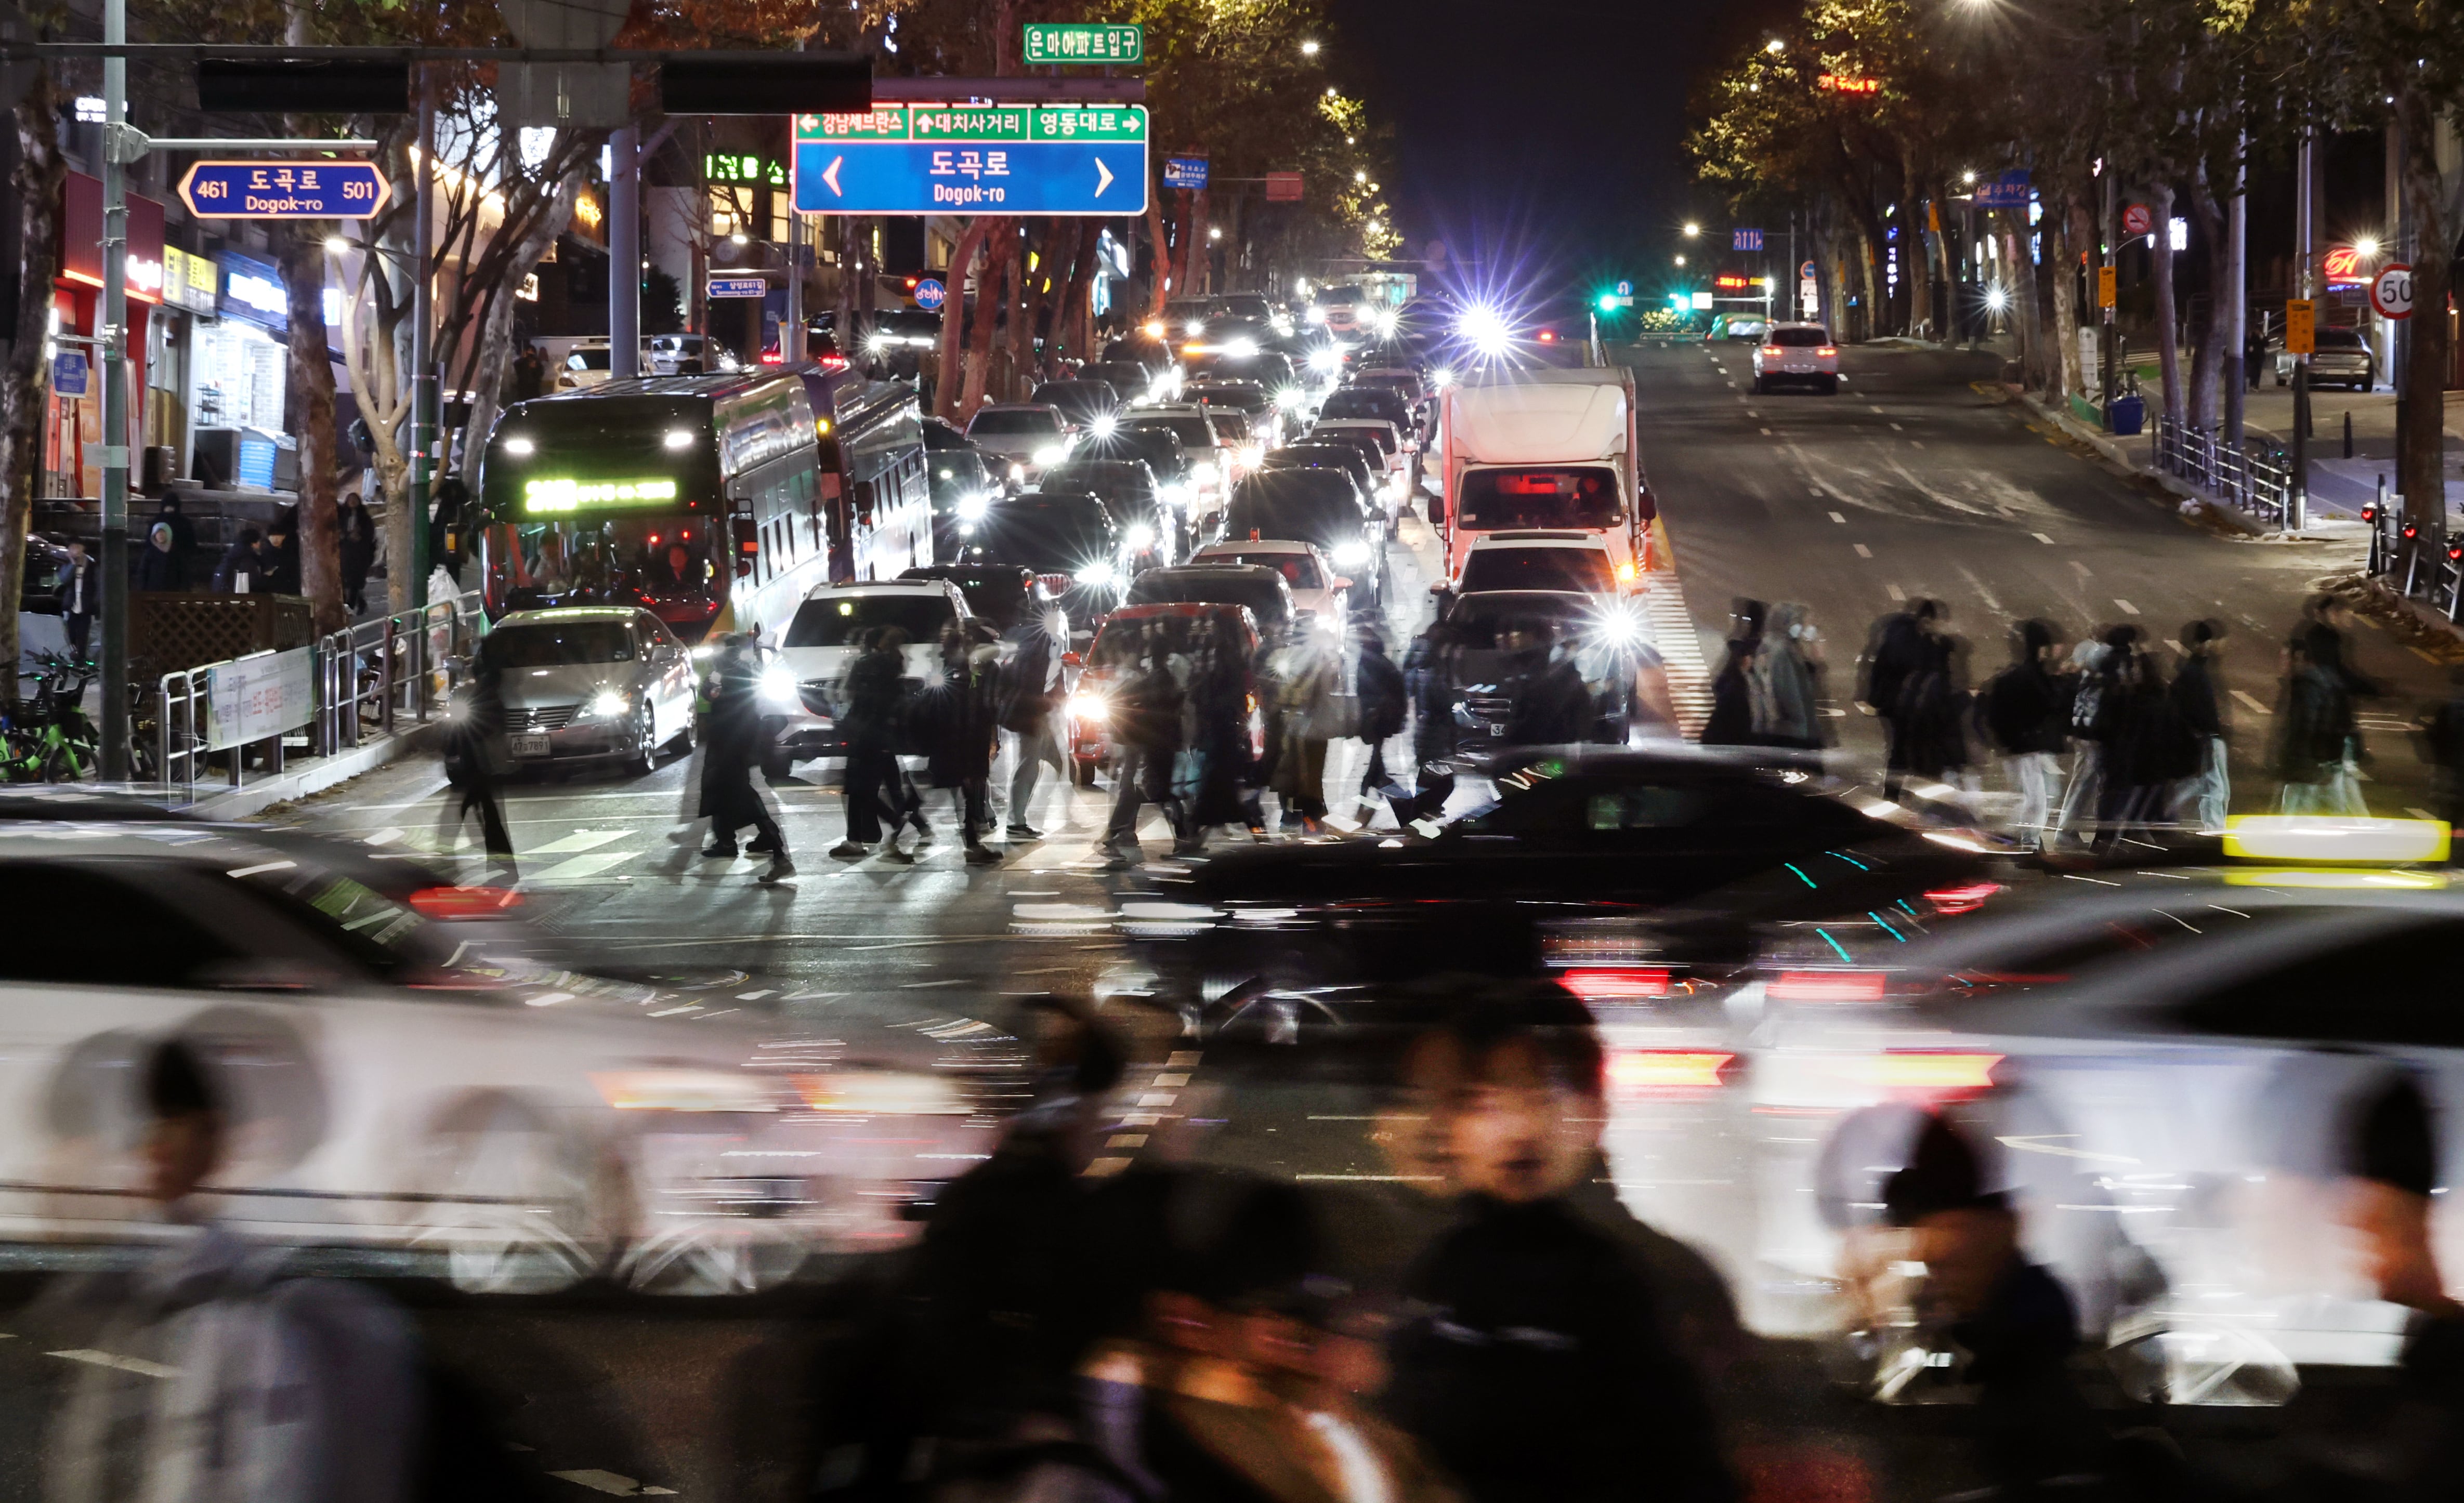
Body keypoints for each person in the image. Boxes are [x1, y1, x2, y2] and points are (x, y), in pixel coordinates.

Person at [1386, 991, 1735, 1503]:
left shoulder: (1655, 1280)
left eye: (1547, 1095)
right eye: (1483, 1103)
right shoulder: (1434, 1271)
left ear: (1596, 1109)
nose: (1520, 1129)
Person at [38, 1039, 419, 1503]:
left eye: (169, 1123)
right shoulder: (140, 1294)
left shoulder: (258, 1306)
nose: (150, 1150)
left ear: (219, 1138)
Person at [1880, 1113, 2100, 1494]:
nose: (1936, 1276)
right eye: (1931, 1264)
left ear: (1999, 1231)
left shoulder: (2018, 1364)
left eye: (1945, 1257)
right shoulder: (2007, 1338)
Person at [696, 634, 794, 881]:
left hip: (730, 744)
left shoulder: (729, 674)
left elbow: (720, 701)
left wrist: (712, 687)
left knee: (742, 795)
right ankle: (727, 841)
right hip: (736, 742)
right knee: (724, 792)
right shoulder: (743, 670)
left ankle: (779, 854)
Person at [1977, 618, 2072, 850]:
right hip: (2026, 746)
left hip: (2019, 745)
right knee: (2036, 798)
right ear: (2042, 648)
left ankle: (2021, 838)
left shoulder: (2013, 675)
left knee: (2036, 796)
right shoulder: (2034, 676)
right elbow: (2051, 705)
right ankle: (2022, 840)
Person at [1100, 624, 1189, 868]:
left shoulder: (1154, 680)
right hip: (1164, 743)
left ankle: (1115, 832)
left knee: (1153, 791)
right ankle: (1182, 838)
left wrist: (1128, 724)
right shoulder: (1166, 679)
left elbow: (1120, 697)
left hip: (1154, 744)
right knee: (1152, 791)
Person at [919, 620, 1002, 865]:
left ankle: (973, 844)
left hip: (959, 739)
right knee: (950, 789)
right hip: (961, 739)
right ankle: (897, 829)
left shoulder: (957, 666)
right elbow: (975, 705)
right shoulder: (961, 667)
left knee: (962, 792)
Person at [834, 627, 917, 861]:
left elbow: (849, 694)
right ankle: (857, 838)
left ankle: (882, 828)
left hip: (862, 734)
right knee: (868, 789)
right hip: (882, 736)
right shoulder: (895, 666)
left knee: (859, 790)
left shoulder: (865, 664)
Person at [998, 603, 1070, 841]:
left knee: (1049, 762)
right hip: (1031, 713)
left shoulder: (1024, 638)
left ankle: (1020, 817)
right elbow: (1037, 679)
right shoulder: (1042, 642)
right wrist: (1046, 703)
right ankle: (1016, 821)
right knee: (1029, 764)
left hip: (1029, 711)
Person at [441, 651, 517, 876]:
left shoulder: (490, 696)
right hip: (477, 764)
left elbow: (485, 728)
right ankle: (503, 867)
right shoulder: (476, 693)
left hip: (481, 764)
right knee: (482, 813)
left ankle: (501, 866)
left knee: (466, 812)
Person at [1861, 598, 1943, 799]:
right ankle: (1892, 794)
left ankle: (1896, 791)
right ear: (1925, 619)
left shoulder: (1918, 637)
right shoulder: (1904, 638)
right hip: (1898, 704)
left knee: (1901, 749)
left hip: (1904, 703)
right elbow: (1904, 666)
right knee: (1900, 750)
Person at [2274, 632, 2360, 815]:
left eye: (2286, 658)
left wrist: (2317, 760)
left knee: (2302, 807)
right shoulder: (2304, 683)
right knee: (2303, 805)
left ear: (2299, 659)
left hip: (2308, 761)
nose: (2282, 664)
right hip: (2310, 761)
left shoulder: (2309, 686)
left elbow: (2310, 726)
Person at [1268, 628, 1340, 834]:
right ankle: (1306, 822)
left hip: (1306, 731)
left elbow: (1294, 695)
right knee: (1304, 782)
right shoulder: (1319, 665)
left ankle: (1301, 821)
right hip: (1308, 732)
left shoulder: (1315, 666)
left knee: (1302, 782)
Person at [2167, 619, 2230, 833]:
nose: (2209, 646)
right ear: (2197, 644)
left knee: (2209, 786)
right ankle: (2214, 830)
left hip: (2203, 736)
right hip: (2204, 737)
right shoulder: (2194, 672)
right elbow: (2196, 707)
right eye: (2206, 642)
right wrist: (2205, 732)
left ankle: (2212, 827)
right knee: (2213, 788)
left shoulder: (2191, 669)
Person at [1752, 601, 1830, 749]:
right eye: (1805, 624)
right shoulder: (1782, 652)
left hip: (1786, 738)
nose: (1807, 629)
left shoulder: (1778, 649)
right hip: (1791, 739)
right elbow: (1793, 702)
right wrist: (1804, 738)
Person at [1499, 623, 1592, 747]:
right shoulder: (1535, 663)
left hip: (1543, 740)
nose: (1512, 637)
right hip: (1552, 739)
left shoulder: (1540, 665)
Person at [1351, 625, 1409, 823]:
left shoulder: (1371, 663)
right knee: (1376, 767)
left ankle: (1398, 805)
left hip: (1378, 719)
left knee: (1375, 768)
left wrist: (1371, 712)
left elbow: (1369, 693)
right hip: (1381, 719)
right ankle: (1398, 804)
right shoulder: (1380, 662)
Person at [335, 492, 377, 616]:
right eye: (350, 500)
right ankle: (350, 604)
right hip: (345, 553)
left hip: (360, 554)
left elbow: (370, 535)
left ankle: (351, 606)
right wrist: (345, 536)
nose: (353, 503)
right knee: (344, 580)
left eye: (355, 500)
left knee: (355, 581)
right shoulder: (342, 516)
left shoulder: (365, 518)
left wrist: (360, 536)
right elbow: (338, 532)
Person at [56, 538, 96, 656]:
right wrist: (73, 564)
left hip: (86, 604)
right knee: (71, 632)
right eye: (72, 547)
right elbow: (64, 579)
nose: (75, 550)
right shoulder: (65, 562)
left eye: (78, 547)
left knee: (83, 633)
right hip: (71, 603)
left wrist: (95, 602)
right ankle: (75, 654)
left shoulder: (91, 563)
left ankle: (81, 658)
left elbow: (96, 582)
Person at [431, 477, 470, 589]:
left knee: (451, 570)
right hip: (452, 545)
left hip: (447, 544)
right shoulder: (456, 505)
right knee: (453, 571)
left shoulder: (451, 506)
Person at [212, 526, 267, 593]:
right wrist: (266, 577)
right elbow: (253, 582)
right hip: (235, 595)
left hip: (221, 591)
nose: (260, 544)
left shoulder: (234, 553)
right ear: (254, 543)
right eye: (259, 541)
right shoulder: (247, 559)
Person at [135, 521, 183, 592]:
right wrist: (142, 589)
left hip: (173, 592)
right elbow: (143, 572)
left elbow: (182, 572)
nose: (160, 535)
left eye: (163, 532)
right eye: (158, 533)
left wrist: (183, 589)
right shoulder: (150, 553)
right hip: (153, 592)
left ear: (168, 533)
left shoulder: (176, 553)